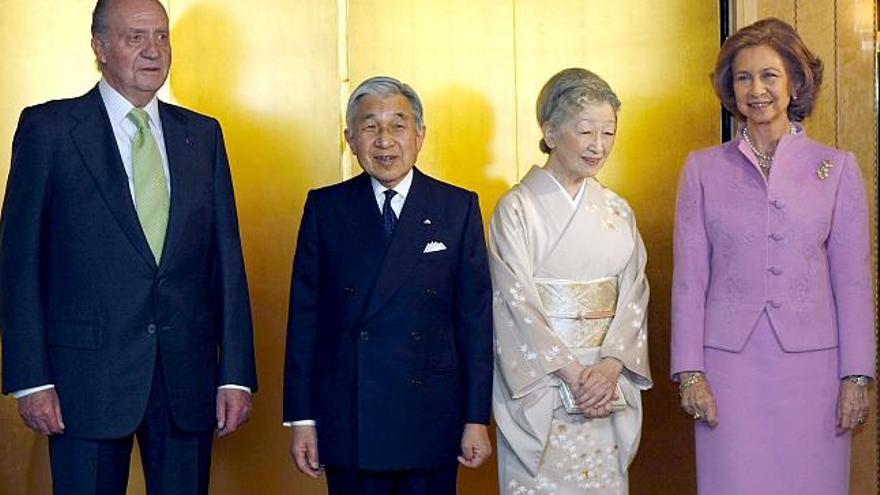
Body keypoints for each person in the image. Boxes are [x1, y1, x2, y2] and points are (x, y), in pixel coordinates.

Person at [0, 0, 258, 493]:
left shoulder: (201, 136)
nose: (152, 50)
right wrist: (31, 379)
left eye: (162, 36)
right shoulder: (49, 131)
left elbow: (226, 262)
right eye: (134, 37)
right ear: (99, 47)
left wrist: (235, 375)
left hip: (186, 378)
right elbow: (19, 264)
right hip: (83, 381)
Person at [671, 17, 874, 495]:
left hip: (815, 374)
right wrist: (690, 373)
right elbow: (689, 280)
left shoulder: (837, 169)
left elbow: (854, 281)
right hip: (728, 372)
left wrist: (857, 375)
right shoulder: (702, 170)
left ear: (795, 83)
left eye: (769, 76)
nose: (756, 89)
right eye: (743, 77)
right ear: (730, 88)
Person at [283, 76, 494, 495]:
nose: (385, 140)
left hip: (431, 417)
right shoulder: (325, 208)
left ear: (420, 135)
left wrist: (476, 417)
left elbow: (474, 320)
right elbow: (305, 320)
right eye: (370, 126)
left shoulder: (457, 207)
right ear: (350, 138)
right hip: (350, 417)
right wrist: (302, 419)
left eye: (398, 125)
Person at [490, 68, 652, 495]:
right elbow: (514, 301)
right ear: (550, 131)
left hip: (604, 385)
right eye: (585, 131)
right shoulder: (517, 209)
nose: (598, 146)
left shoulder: (617, 210)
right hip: (547, 384)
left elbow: (634, 296)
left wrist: (612, 366)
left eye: (608, 132)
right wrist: (573, 373)